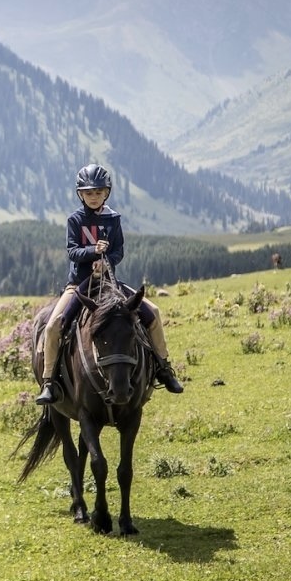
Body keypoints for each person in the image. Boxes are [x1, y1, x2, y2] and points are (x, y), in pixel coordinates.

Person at [34, 164, 184, 404]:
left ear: (107, 193)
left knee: (153, 312)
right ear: (80, 195)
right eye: (89, 193)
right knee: (53, 325)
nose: (94, 197)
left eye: (98, 192)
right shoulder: (75, 220)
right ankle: (49, 381)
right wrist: (94, 252)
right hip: (79, 284)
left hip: (109, 283)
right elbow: (72, 251)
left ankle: (164, 368)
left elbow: (118, 251)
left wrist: (107, 263)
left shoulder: (113, 219)